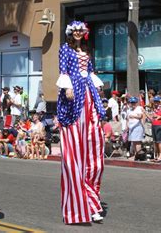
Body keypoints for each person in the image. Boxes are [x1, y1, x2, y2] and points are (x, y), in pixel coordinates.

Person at [56, 20, 105, 224]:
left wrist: (98, 88)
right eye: (74, 30)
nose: (77, 33)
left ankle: (92, 200)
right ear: (70, 33)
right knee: (75, 152)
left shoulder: (86, 50)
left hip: (87, 91)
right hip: (74, 92)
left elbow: (91, 71)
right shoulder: (65, 49)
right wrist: (67, 88)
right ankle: (81, 203)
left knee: (93, 152)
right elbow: (64, 70)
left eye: (80, 30)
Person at [126, 96, 145, 161]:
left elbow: (140, 116)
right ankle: (135, 155)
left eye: (134, 102)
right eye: (132, 103)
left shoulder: (139, 108)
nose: (133, 104)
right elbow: (127, 119)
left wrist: (133, 116)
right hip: (131, 128)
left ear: (136, 103)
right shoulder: (129, 110)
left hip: (137, 127)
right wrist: (127, 127)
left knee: (137, 142)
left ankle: (137, 156)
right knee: (133, 142)